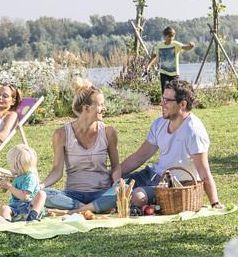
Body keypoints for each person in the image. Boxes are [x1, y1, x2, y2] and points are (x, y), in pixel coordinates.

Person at [91, 79, 223, 213]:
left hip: (172, 185)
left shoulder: (194, 131)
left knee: (137, 196)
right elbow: (139, 157)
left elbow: (204, 172)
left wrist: (215, 203)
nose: (161, 103)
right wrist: (112, 174)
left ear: (182, 104)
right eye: (162, 99)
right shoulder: (160, 123)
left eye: (167, 101)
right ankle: (83, 206)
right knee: (110, 186)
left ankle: (98, 208)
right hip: (151, 175)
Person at [41, 78, 121, 213]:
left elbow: (115, 166)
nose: (104, 108)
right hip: (72, 196)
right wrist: (40, 186)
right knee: (44, 195)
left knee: (116, 194)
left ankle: (72, 211)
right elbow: (56, 171)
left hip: (100, 193)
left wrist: (117, 183)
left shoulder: (109, 132)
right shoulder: (61, 134)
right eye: (101, 105)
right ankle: (90, 208)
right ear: (87, 108)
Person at [0, 144, 46, 223]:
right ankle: (6, 221)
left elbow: (24, 196)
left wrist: (9, 186)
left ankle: (32, 217)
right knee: (4, 208)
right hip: (16, 208)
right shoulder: (18, 177)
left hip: (29, 207)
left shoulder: (30, 177)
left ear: (16, 165)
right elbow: (10, 191)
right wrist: (4, 186)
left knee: (41, 194)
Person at [146, 26, 194, 92]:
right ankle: (164, 102)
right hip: (164, 72)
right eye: (168, 36)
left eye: (172, 36)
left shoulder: (176, 44)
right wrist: (148, 66)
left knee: (175, 92)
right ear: (164, 36)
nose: (170, 38)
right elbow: (154, 55)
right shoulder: (159, 46)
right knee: (165, 90)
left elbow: (185, 47)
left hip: (174, 74)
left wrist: (191, 46)